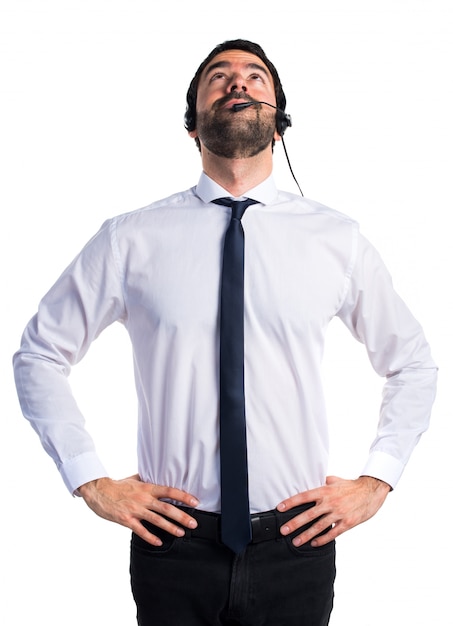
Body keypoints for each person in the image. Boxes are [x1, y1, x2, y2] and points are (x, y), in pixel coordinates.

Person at [13, 39, 437, 626]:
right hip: (173, 544)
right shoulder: (130, 239)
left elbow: (412, 361)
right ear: (193, 126)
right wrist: (89, 478)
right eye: (219, 76)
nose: (238, 83)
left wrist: (378, 479)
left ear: (280, 123)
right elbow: (39, 353)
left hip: (297, 542)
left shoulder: (336, 240)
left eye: (255, 76)